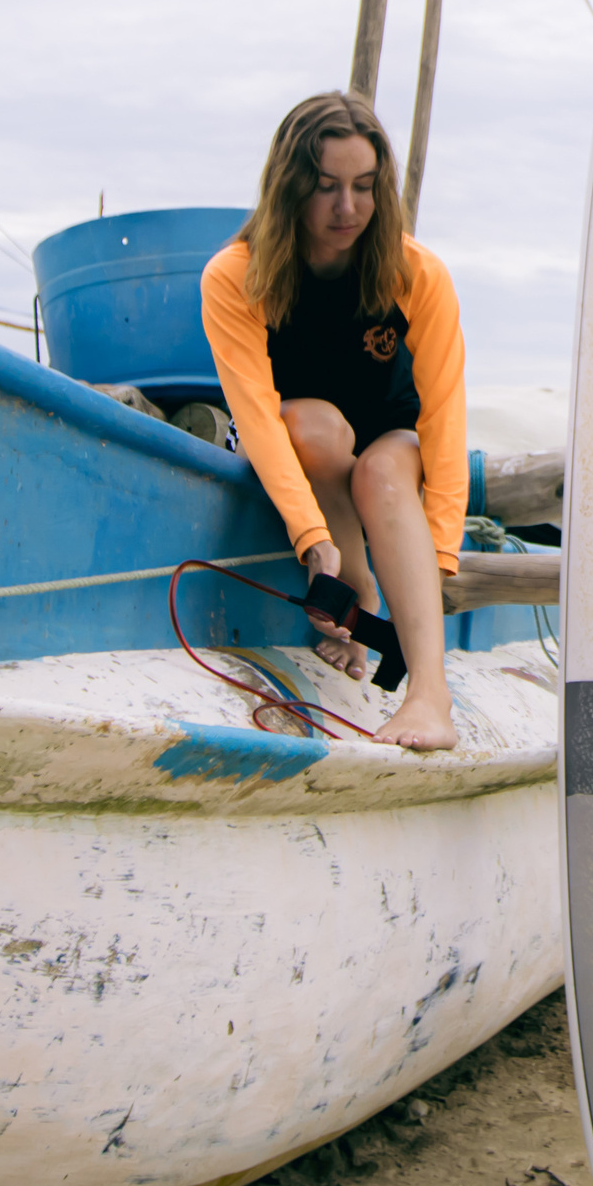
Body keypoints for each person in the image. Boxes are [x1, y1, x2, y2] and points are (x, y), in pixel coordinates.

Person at [201, 91, 464, 750]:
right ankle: (359, 583)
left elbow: (444, 418)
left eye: (364, 187)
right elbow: (257, 414)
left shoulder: (416, 273)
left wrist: (441, 556)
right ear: (290, 187)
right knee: (310, 425)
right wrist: (312, 539)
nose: (347, 208)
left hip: (390, 434)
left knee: (380, 472)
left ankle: (430, 695)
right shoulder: (236, 275)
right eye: (325, 188)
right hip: (304, 436)